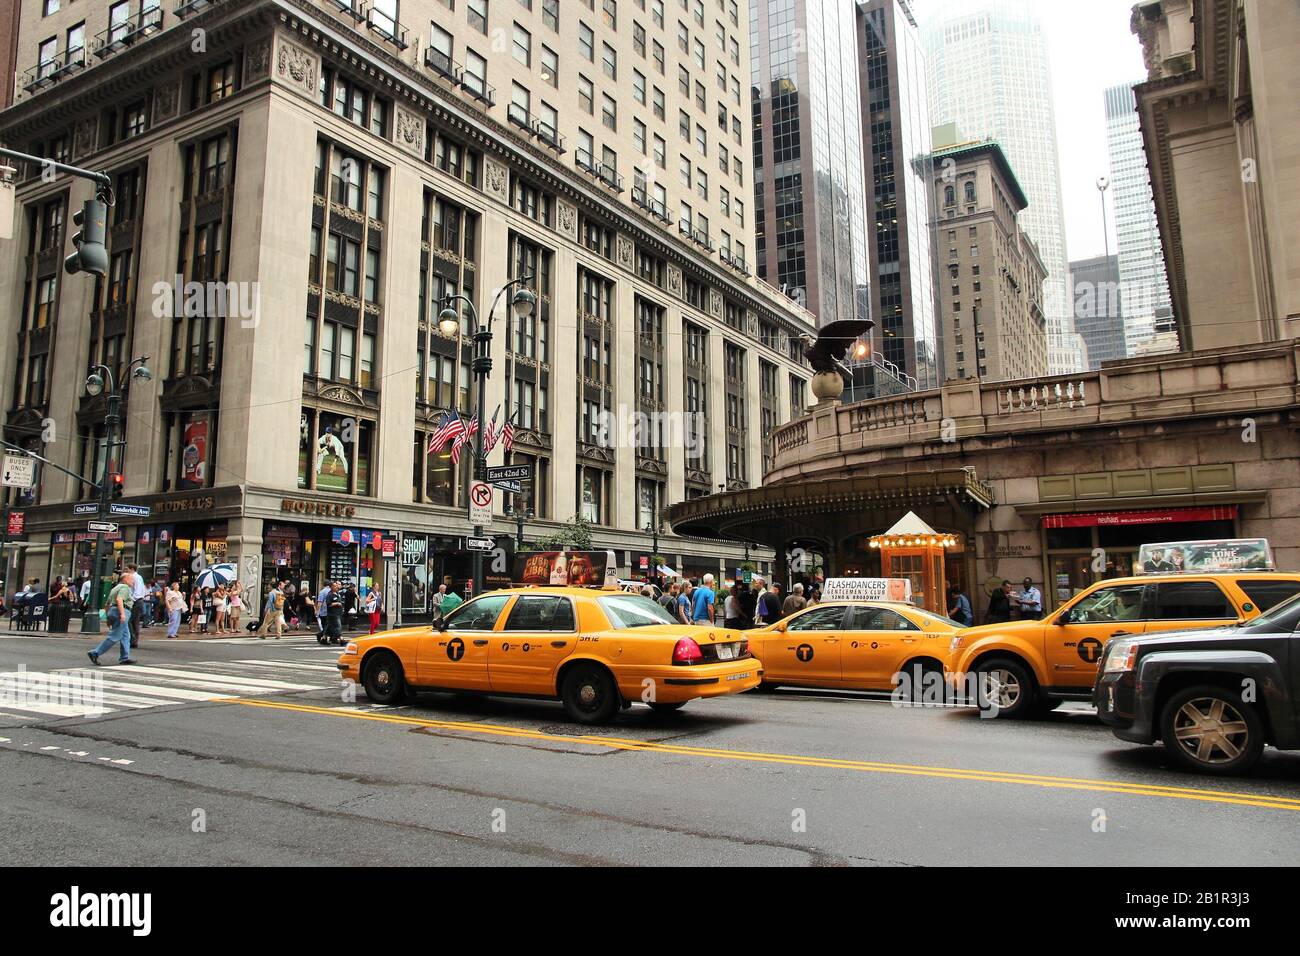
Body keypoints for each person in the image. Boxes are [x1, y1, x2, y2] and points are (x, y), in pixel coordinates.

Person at [88, 571, 135, 666]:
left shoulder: (114, 588)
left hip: (112, 611)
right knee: (115, 636)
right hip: (121, 610)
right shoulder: (124, 587)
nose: (133, 582)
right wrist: (122, 614)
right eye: (131, 579)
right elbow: (119, 599)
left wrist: (108, 619)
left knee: (126, 635)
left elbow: (107, 604)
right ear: (125, 579)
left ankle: (124, 657)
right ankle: (95, 653)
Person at [127, 564, 148, 646]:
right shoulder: (138, 577)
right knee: (134, 621)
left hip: (136, 601)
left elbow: (137, 591)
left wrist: (132, 600)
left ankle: (133, 639)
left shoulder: (136, 577)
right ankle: (134, 640)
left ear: (132, 569)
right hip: (137, 601)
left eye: (128, 569)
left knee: (131, 620)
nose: (127, 571)